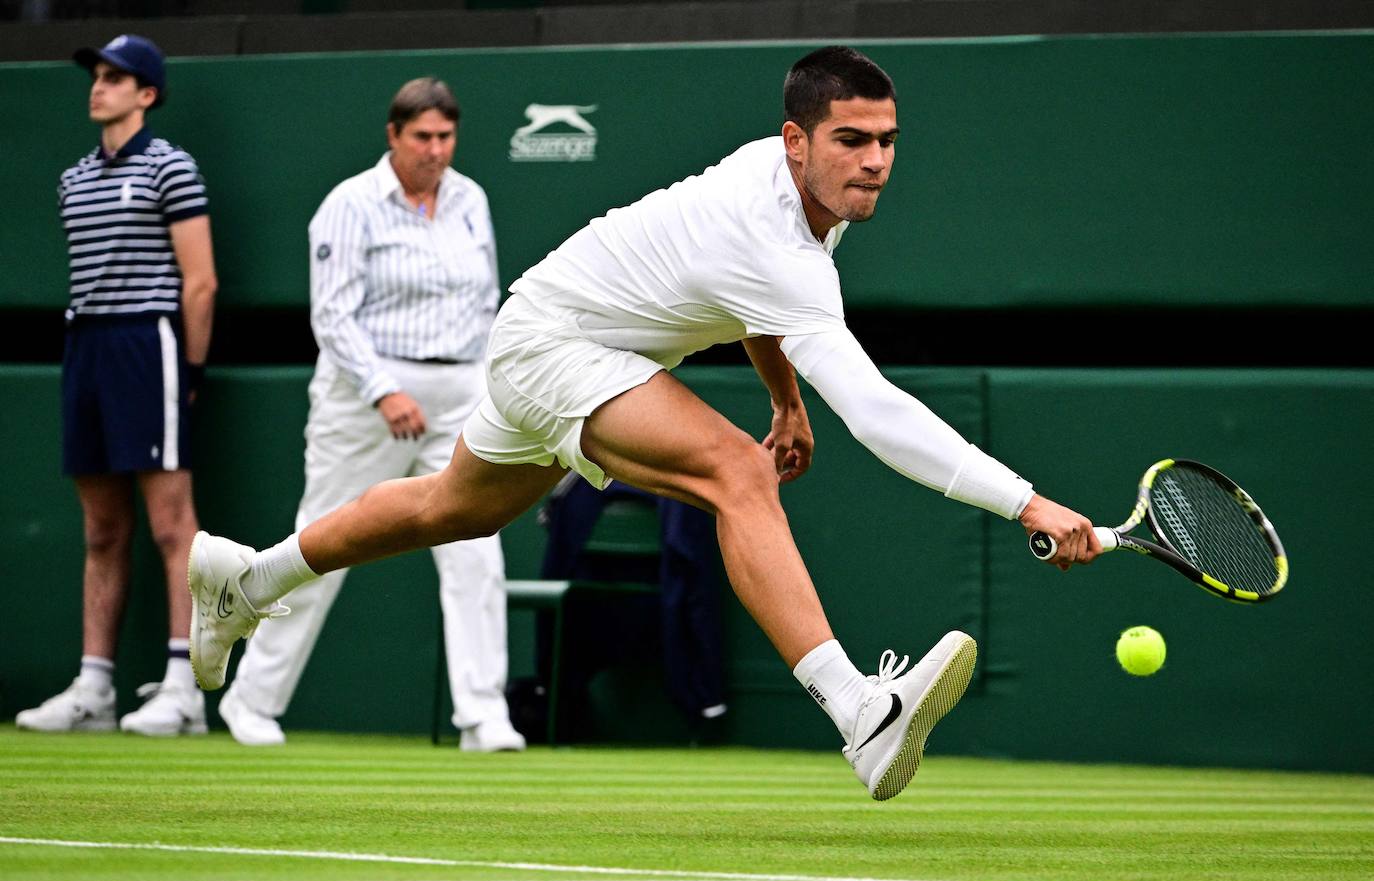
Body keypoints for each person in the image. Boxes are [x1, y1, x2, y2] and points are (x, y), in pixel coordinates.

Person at [187, 46, 1100, 799]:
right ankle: (858, 711)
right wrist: (1025, 503)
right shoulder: (778, 237)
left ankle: (247, 581)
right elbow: (873, 412)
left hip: (539, 330)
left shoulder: (799, 195)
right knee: (735, 474)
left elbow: (755, 310)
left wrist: (783, 398)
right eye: (852, 140)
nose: (874, 161)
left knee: (450, 510)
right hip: (557, 342)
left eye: (888, 141)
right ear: (796, 140)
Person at [216, 78, 523, 752]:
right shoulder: (349, 204)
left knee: (476, 551)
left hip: (458, 396)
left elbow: (483, 305)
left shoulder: (471, 199)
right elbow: (332, 315)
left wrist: (488, 390)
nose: (435, 151)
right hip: (363, 400)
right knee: (321, 545)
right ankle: (251, 700)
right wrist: (384, 389)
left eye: (445, 137)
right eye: (422, 138)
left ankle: (483, 714)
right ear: (393, 135)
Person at [17, 34, 216, 736]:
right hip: (87, 346)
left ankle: (183, 687)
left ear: (147, 94)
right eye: (96, 77)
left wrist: (187, 372)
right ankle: (95, 687)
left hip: (148, 342)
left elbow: (200, 282)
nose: (97, 87)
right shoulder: (74, 178)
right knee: (102, 528)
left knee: (171, 525)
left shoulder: (172, 169)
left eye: (114, 78)